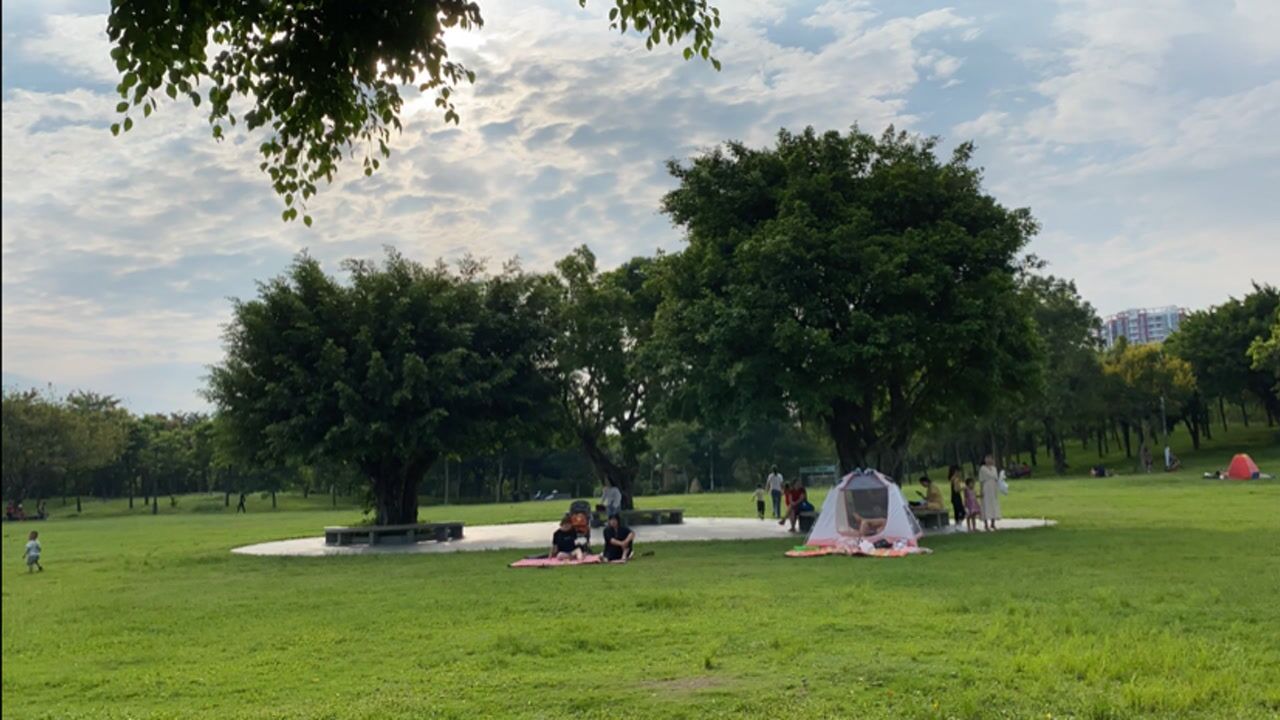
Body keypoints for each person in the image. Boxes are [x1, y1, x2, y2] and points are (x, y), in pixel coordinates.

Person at [978, 454, 1001, 531]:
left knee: (993, 504)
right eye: (987, 458)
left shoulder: (994, 468)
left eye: (990, 458)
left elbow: (996, 478)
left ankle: (993, 523)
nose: (988, 460)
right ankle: (986, 524)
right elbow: (981, 480)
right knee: (986, 504)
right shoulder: (983, 468)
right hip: (986, 487)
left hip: (993, 488)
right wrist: (981, 490)